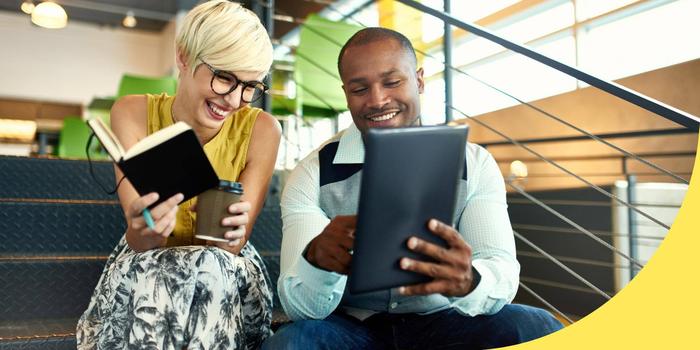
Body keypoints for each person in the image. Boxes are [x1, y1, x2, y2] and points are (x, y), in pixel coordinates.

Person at [262, 27, 563, 350]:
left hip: (446, 319)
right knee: (292, 342)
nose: (377, 100)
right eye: (360, 88)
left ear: (419, 81)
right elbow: (299, 307)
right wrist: (316, 260)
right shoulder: (312, 174)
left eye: (392, 82)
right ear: (346, 93)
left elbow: (500, 268)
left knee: (537, 326)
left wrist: (470, 281)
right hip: (352, 326)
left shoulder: (473, 163)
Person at [76, 1, 281, 349]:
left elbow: (232, 246)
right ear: (184, 57)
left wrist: (228, 230)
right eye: (224, 78)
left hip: (223, 267)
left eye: (250, 86)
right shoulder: (132, 112)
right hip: (149, 261)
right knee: (160, 278)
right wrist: (145, 227)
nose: (234, 100)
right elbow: (141, 241)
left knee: (210, 266)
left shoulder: (263, 129)